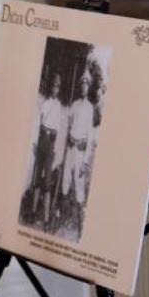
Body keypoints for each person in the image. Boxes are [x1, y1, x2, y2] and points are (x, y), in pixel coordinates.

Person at [62, 67, 95, 234]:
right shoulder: (74, 105)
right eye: (82, 84)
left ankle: (80, 223)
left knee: (79, 182)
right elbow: (68, 125)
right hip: (70, 148)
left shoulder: (90, 108)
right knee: (66, 179)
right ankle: (65, 216)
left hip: (81, 150)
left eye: (87, 84)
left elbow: (90, 137)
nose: (84, 87)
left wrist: (85, 162)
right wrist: (68, 135)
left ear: (89, 88)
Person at [31, 73, 66, 228]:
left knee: (47, 182)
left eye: (57, 87)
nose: (55, 89)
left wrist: (56, 153)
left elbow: (59, 133)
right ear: (50, 87)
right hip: (42, 141)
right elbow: (38, 124)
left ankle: (45, 218)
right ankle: (32, 213)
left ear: (59, 89)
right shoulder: (45, 103)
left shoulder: (59, 107)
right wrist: (35, 143)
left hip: (51, 143)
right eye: (53, 86)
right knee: (37, 178)